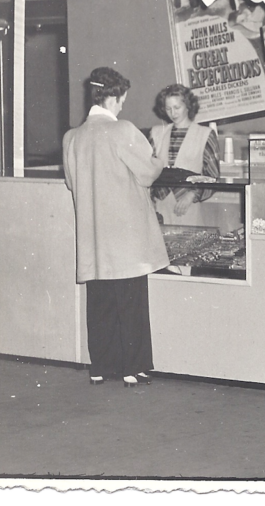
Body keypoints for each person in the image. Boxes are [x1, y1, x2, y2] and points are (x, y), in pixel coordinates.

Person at [62, 67, 170, 387]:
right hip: (127, 235)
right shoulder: (123, 130)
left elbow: (72, 183)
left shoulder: (72, 137)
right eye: (122, 99)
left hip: (94, 235)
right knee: (131, 300)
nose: (123, 105)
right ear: (115, 97)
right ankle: (132, 368)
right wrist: (161, 153)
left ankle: (101, 367)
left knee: (101, 301)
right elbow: (149, 172)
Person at [149, 84, 220, 227]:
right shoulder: (156, 133)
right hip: (159, 206)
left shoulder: (205, 134)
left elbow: (213, 176)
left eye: (177, 108)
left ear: (188, 105)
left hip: (188, 206)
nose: (172, 113)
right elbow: (147, 171)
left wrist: (192, 195)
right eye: (168, 109)